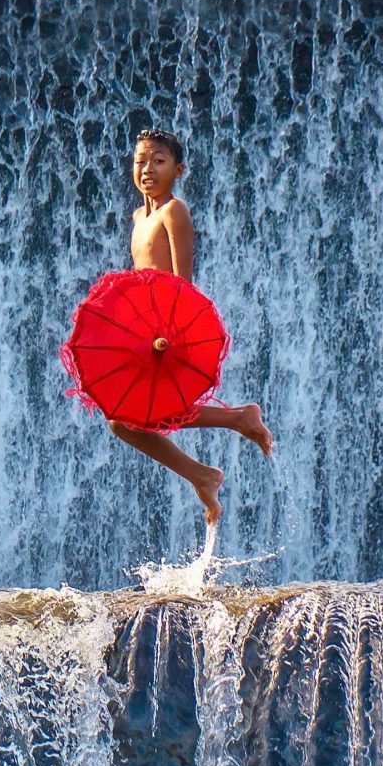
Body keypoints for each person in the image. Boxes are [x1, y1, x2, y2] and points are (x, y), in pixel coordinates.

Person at [100, 129, 271, 521]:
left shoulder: (174, 212)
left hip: (170, 329)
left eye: (159, 161)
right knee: (122, 421)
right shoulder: (139, 217)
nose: (147, 169)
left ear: (178, 170)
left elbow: (183, 282)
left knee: (134, 416)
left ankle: (235, 424)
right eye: (141, 161)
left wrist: (177, 331)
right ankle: (204, 472)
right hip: (146, 332)